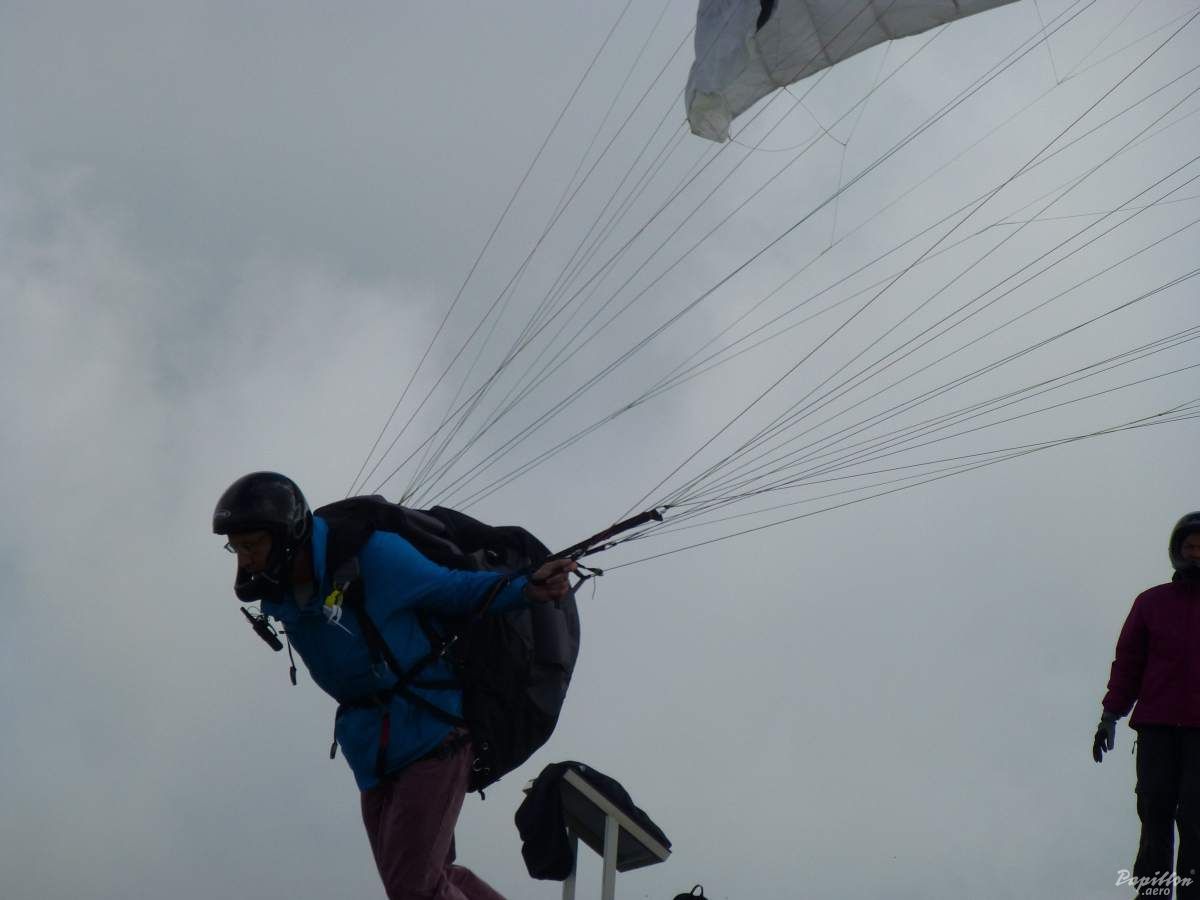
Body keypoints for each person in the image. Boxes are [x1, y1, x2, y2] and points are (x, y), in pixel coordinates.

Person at [212, 472, 576, 900]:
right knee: (428, 878)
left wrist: (525, 589)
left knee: (413, 888)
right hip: (372, 752)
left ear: (287, 535)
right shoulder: (278, 592)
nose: (245, 560)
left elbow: (454, 590)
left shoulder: (375, 557)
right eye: (237, 548)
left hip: (431, 734)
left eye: (252, 545)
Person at [1095, 512, 1200, 898]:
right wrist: (1110, 715)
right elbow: (1129, 664)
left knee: (1197, 817)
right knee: (1155, 813)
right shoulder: (1151, 603)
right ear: (1177, 551)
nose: (1196, 554)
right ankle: (1152, 894)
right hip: (1158, 728)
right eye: (1190, 547)